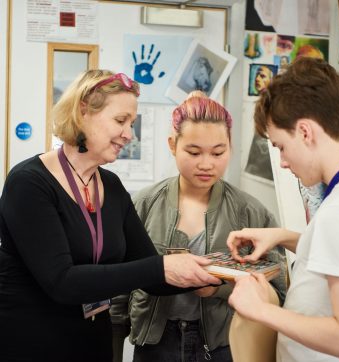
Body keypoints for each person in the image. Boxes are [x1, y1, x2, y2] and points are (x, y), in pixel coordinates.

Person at [0, 70, 221, 362]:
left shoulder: (111, 186)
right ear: (83, 112)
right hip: (33, 344)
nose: (129, 134)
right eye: (120, 121)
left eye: (132, 123)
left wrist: (214, 271)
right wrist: (164, 267)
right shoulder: (29, 183)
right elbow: (62, 281)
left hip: (92, 343)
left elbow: (150, 273)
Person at [227, 57, 339, 361]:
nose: (284, 162)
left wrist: (260, 310)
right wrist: (285, 236)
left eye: (280, 146)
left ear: (305, 132)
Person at [111, 91, 287, 362]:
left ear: (230, 146)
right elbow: (120, 285)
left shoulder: (251, 213)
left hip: (223, 343)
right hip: (155, 343)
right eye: (193, 152)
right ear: (172, 145)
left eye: (218, 152)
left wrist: (219, 289)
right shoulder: (143, 204)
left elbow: (278, 291)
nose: (207, 164)